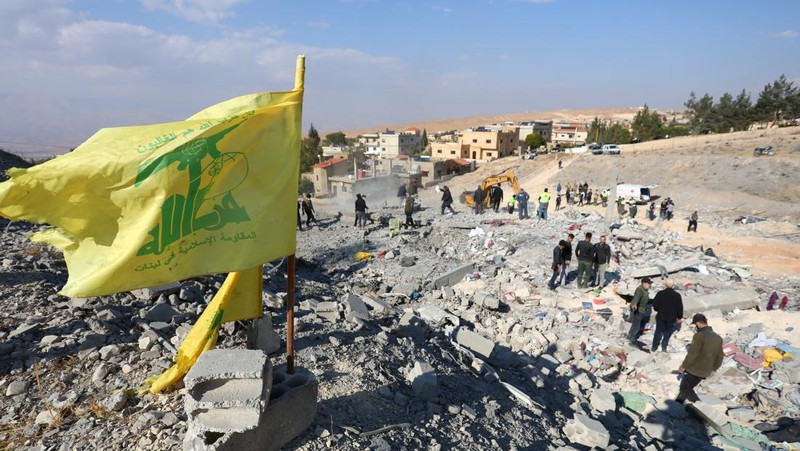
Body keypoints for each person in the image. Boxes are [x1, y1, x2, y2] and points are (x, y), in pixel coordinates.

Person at [677, 314, 724, 404]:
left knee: (684, 388)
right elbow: (720, 356)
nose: (696, 327)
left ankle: (698, 404)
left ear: (698, 324)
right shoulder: (718, 338)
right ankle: (678, 403)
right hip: (706, 371)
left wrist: (683, 366)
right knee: (687, 389)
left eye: (695, 325)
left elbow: (692, 354)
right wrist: (714, 368)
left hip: (694, 369)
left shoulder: (699, 336)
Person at [651, 280, 684, 352]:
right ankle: (664, 347)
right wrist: (679, 317)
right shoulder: (677, 295)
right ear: (673, 285)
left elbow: (655, 305)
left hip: (661, 316)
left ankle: (654, 347)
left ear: (665, 285)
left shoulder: (660, 293)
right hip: (671, 318)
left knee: (658, 332)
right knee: (667, 332)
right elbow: (680, 308)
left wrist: (658, 309)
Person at [627, 277, 652, 345]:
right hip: (638, 310)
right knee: (637, 326)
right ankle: (632, 340)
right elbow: (636, 298)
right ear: (643, 283)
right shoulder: (640, 290)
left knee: (634, 325)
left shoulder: (644, 290)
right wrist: (634, 304)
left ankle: (629, 336)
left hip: (641, 309)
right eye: (648, 283)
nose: (649, 285)